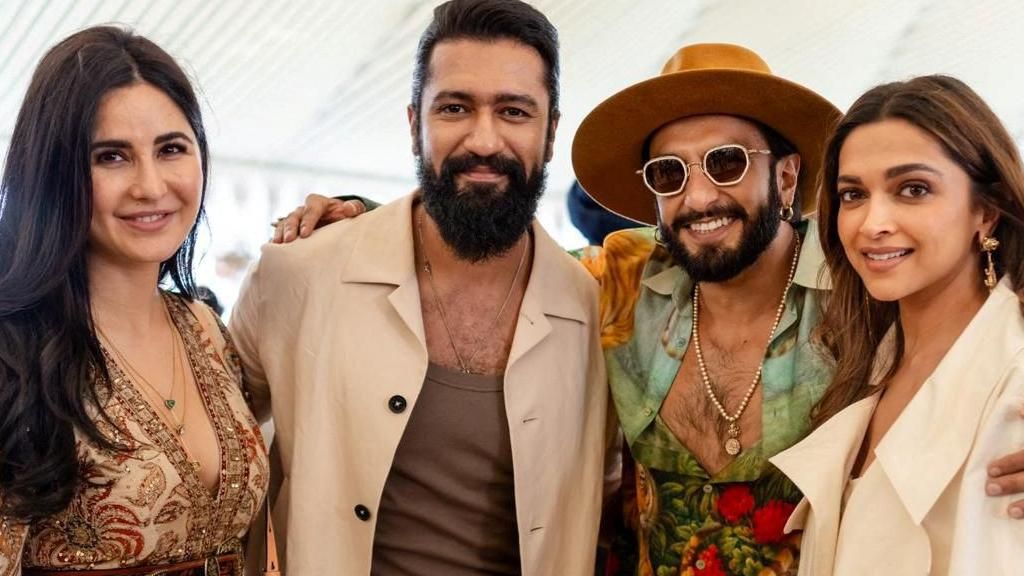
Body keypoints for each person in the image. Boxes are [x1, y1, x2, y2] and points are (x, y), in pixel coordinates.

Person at [282, 44, 1024, 575]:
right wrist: (368, 217)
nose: (700, 196)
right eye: (671, 173)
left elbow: (978, 305)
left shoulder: (866, 280)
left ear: (788, 171)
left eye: (728, 163)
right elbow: (494, 262)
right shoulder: (618, 283)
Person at [229, 1, 613, 574]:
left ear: (551, 132)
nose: (484, 140)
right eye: (455, 107)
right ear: (415, 126)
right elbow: (207, 444)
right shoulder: (300, 275)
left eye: (513, 111)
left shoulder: (596, 314)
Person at [0, 26, 268, 576]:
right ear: (53, 174)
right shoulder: (13, 348)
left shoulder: (204, 329)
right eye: (111, 157)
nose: (150, 186)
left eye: (171, 149)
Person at [770, 75, 1024, 575]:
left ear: (986, 212)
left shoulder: (1013, 378)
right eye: (852, 194)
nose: (872, 223)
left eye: (913, 189)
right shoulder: (869, 364)